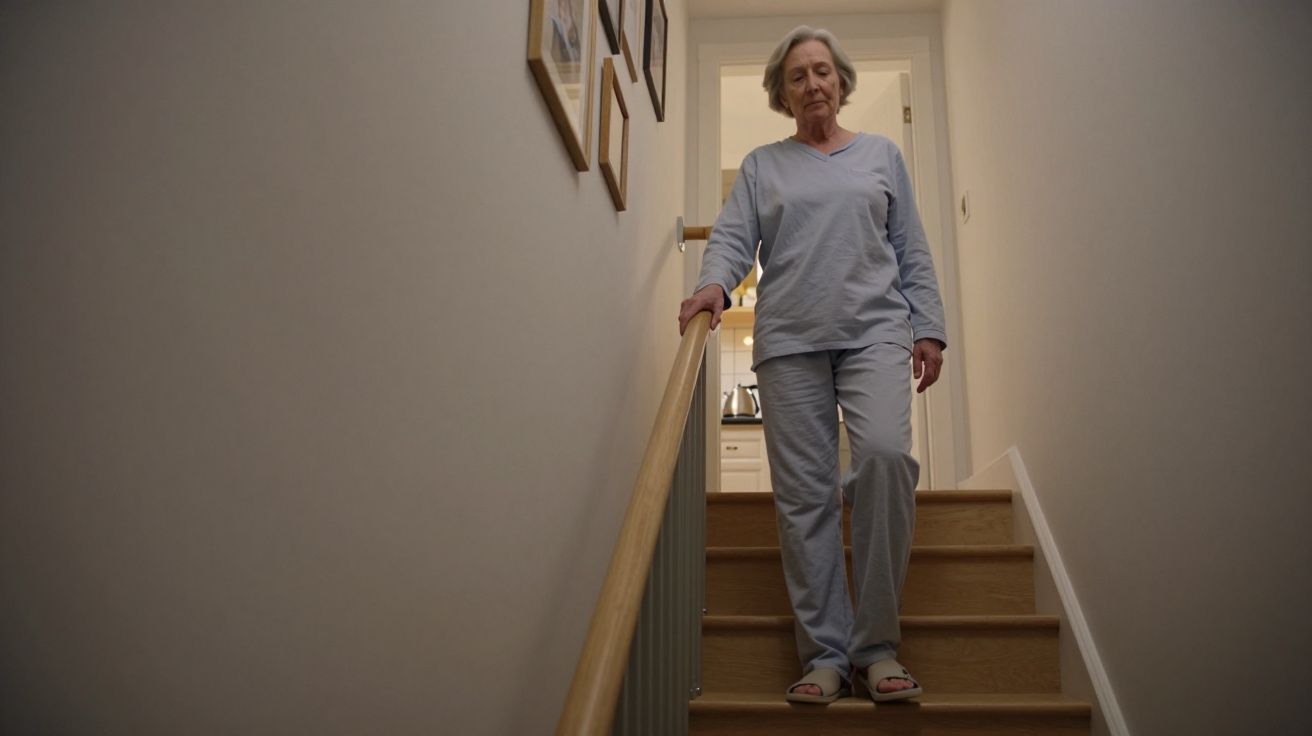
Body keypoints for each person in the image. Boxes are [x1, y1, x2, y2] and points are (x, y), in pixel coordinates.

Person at [678, 26, 947, 705]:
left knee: (884, 459)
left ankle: (878, 646)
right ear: (781, 93)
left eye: (822, 71)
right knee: (805, 502)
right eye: (797, 76)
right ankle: (826, 653)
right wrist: (714, 285)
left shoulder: (882, 156)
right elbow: (734, 240)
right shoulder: (764, 165)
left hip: (876, 333)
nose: (812, 84)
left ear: (841, 80)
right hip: (790, 341)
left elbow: (911, 248)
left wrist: (930, 327)